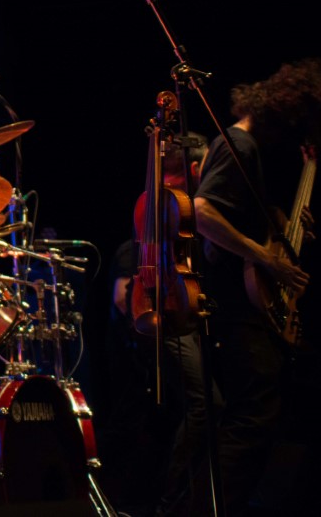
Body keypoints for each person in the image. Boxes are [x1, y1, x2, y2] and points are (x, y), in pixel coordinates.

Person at [194, 59, 321, 515]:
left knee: (307, 418)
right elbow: (203, 212)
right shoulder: (238, 144)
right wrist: (268, 259)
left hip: (257, 310)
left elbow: (244, 220)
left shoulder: (247, 149)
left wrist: (284, 227)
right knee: (254, 420)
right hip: (239, 311)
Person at [105, 132, 218, 516]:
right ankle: (174, 503)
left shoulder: (186, 215)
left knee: (182, 414)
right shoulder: (146, 231)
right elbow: (123, 296)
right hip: (162, 320)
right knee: (203, 405)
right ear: (195, 168)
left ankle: (179, 498)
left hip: (181, 314)